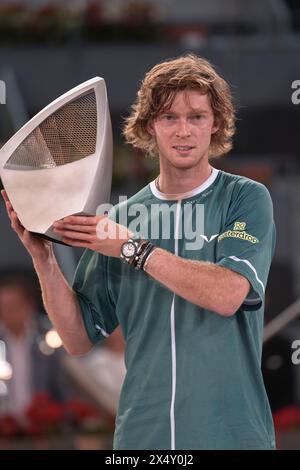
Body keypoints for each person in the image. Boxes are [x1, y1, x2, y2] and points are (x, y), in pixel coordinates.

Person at [1, 53, 276, 450]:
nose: (183, 131)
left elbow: (228, 294)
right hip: (142, 438)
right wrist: (42, 259)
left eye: (196, 117)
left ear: (215, 123)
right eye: (169, 117)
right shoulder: (121, 217)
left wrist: (132, 247)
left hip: (233, 436)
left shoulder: (245, 198)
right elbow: (78, 339)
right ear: (150, 126)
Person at [0, 271, 66, 422]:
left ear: (28, 305)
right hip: (6, 425)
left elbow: (60, 383)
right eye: (3, 306)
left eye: (13, 306)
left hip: (42, 425)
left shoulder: (47, 339)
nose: (8, 312)